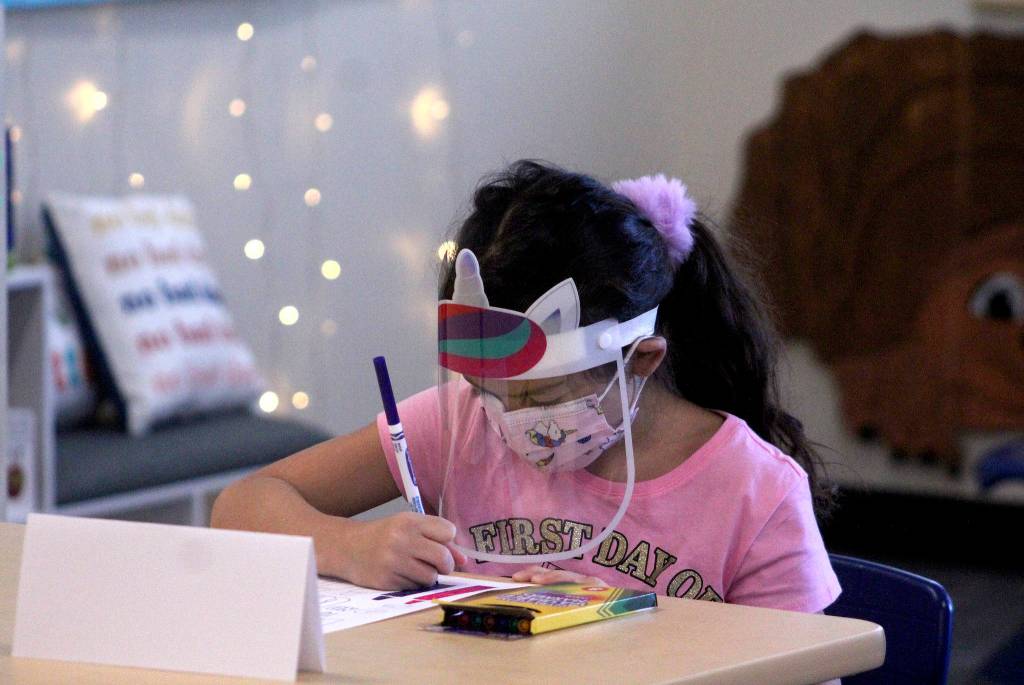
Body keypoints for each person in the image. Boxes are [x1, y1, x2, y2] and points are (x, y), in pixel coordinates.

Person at [212, 160, 840, 613]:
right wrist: (348, 545)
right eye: (488, 390)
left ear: (642, 361)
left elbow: (808, 670)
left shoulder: (756, 495)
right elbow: (242, 505)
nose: (510, 420)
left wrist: (629, 636)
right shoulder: (459, 426)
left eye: (541, 397)